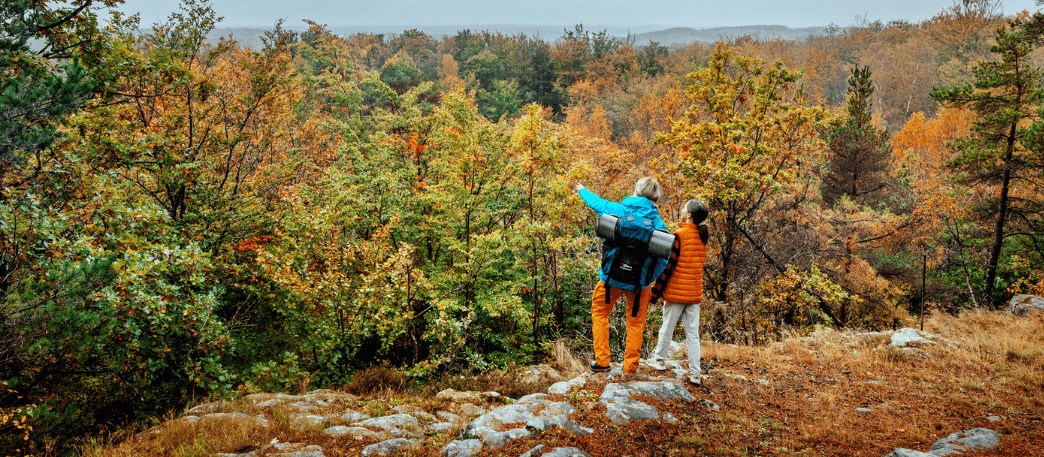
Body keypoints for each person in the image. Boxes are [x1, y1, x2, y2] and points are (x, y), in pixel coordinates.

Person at [575, 178, 668, 374]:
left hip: (611, 279)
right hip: (639, 285)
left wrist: (582, 190)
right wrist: (648, 278)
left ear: (636, 191)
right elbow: (662, 259)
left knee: (600, 313)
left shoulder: (619, 210)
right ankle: (630, 369)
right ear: (655, 198)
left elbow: (597, 203)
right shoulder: (658, 224)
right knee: (635, 325)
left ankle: (602, 361)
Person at [648, 199, 709, 385]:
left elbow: (668, 267)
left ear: (689, 215)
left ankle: (659, 360)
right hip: (694, 294)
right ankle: (695, 373)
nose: (681, 210)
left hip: (676, 292)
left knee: (667, 327)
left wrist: (655, 292)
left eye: (684, 208)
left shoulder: (679, 235)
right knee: (693, 335)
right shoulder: (702, 237)